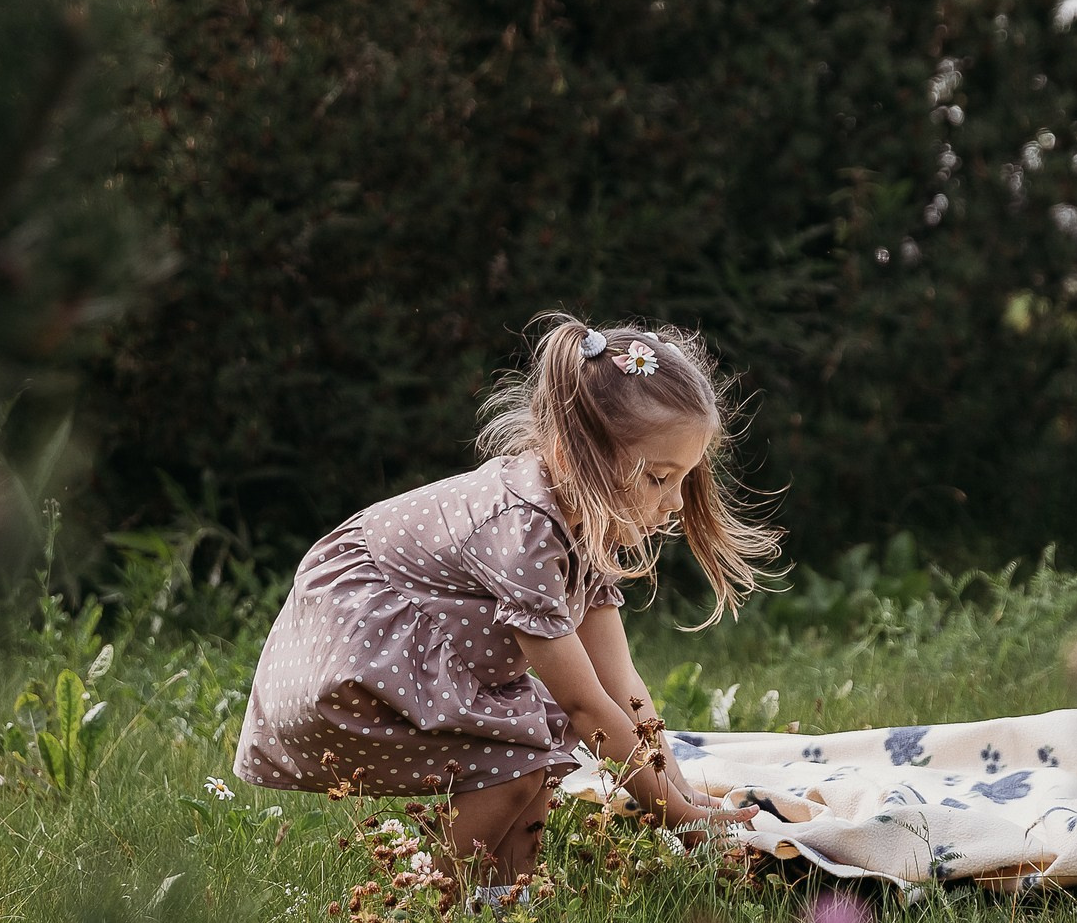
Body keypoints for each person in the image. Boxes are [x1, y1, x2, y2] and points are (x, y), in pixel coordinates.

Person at [233, 318, 778, 883]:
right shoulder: (526, 530)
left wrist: (681, 790)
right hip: (353, 652)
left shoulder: (582, 520)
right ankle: (431, 900)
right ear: (572, 456)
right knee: (512, 764)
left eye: (684, 478)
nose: (676, 503)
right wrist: (674, 815)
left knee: (533, 756)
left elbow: (621, 684)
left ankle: (500, 901)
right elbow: (585, 705)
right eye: (659, 478)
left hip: (395, 654)